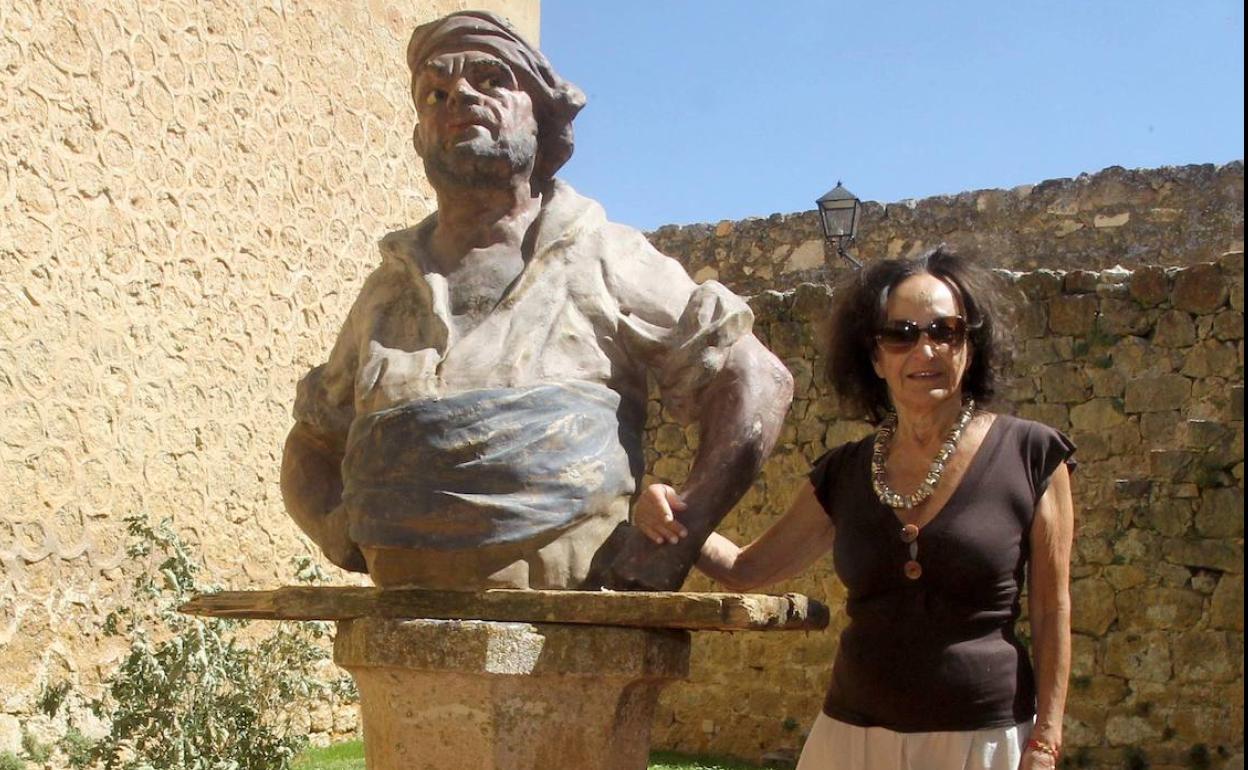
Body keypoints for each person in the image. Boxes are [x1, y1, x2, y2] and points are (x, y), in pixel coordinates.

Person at [279, 11, 792, 590]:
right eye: (435, 92)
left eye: (492, 80)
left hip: (568, 636)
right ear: (421, 136)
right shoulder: (388, 288)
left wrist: (683, 530)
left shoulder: (602, 254)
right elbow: (314, 442)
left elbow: (755, 376)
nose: (460, 96)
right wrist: (345, 528)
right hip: (397, 630)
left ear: (543, 114)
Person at [635, 247, 1074, 770]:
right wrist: (668, 514)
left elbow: (1052, 610)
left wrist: (1045, 740)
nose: (924, 349)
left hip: (983, 739)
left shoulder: (1031, 455)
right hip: (853, 740)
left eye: (944, 331)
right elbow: (746, 568)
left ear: (970, 346)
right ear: (875, 357)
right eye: (901, 334)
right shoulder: (844, 472)